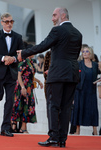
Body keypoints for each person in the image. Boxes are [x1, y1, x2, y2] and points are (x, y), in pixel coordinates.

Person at [17, 7, 82, 147]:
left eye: (54, 15)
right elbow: (75, 56)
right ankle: (62, 140)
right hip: (72, 74)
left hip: (58, 74)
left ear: (63, 15)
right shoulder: (78, 33)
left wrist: (24, 52)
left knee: (53, 106)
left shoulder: (57, 30)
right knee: (66, 108)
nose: (52, 18)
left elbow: (42, 46)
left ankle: (53, 137)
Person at [0, 13, 24, 137]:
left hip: (11, 73)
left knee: (10, 101)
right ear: (2, 22)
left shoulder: (18, 37)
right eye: (6, 21)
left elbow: (22, 55)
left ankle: (5, 128)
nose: (9, 24)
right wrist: (3, 58)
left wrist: (13, 58)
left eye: (11, 21)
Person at [71, 47, 100, 135]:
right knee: (79, 109)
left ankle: (95, 130)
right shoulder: (78, 63)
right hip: (80, 90)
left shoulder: (95, 65)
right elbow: (74, 76)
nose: (85, 53)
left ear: (90, 53)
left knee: (92, 110)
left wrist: (99, 80)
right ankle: (77, 130)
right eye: (83, 51)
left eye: (87, 51)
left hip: (91, 91)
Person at [11, 55, 43, 134]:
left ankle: (22, 127)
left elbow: (30, 76)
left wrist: (38, 81)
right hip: (22, 87)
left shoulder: (31, 62)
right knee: (19, 105)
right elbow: (19, 76)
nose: (34, 54)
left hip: (28, 87)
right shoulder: (23, 62)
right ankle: (15, 126)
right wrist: (22, 87)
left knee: (27, 106)